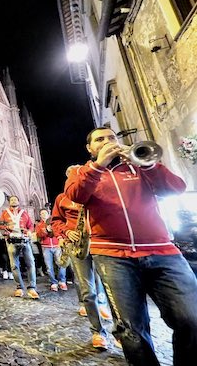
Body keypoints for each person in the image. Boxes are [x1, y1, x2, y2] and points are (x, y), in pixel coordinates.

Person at [65, 126, 197, 364]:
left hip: (162, 251)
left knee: (192, 318)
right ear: (90, 148)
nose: (107, 142)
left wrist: (148, 165)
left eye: (111, 137)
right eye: (100, 140)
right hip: (113, 256)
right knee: (131, 331)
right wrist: (98, 166)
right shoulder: (82, 172)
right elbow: (76, 195)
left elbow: (176, 187)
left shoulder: (139, 167)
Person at [51, 188, 112, 350]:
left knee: (111, 284)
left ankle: (118, 325)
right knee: (86, 288)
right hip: (77, 244)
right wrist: (66, 232)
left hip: (100, 241)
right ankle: (98, 331)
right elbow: (56, 220)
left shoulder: (95, 192)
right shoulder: (62, 198)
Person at [0, 195, 39, 299]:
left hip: (25, 240)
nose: (13, 201)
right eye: (11, 200)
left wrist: (28, 231)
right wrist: (7, 227)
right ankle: (19, 287)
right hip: (11, 240)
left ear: (19, 201)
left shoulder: (24, 213)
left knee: (30, 263)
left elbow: (30, 225)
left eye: (15, 199)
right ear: (9, 202)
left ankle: (32, 288)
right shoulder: (5, 213)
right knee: (14, 265)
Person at [35, 209, 66, 292]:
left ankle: (62, 281)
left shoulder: (54, 222)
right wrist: (46, 231)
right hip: (46, 247)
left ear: (48, 214)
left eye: (45, 213)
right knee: (49, 266)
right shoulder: (39, 225)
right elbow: (38, 235)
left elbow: (59, 231)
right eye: (41, 213)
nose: (43, 214)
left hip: (56, 246)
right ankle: (53, 282)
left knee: (61, 264)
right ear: (40, 215)